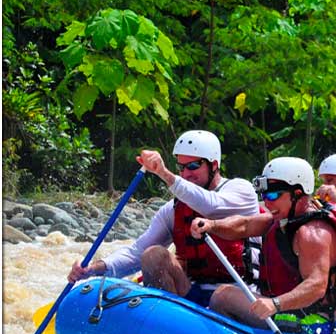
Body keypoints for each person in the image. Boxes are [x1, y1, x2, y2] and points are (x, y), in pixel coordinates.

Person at [67, 130, 261, 307]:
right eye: (181, 167)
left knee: (223, 297)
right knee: (153, 255)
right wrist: (92, 269)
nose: (186, 174)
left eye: (193, 166)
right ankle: (170, 321)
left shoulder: (240, 191)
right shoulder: (173, 210)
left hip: (237, 296)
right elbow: (136, 253)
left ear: (214, 165)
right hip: (193, 295)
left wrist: (163, 173)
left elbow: (211, 206)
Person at [189, 156, 336, 334]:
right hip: (289, 310)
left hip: (312, 321)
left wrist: (275, 304)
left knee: (223, 296)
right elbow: (245, 225)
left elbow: (316, 286)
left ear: (298, 194)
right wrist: (212, 225)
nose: (267, 202)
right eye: (264, 195)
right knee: (224, 294)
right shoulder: (283, 220)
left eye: (273, 195)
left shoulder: (312, 234)